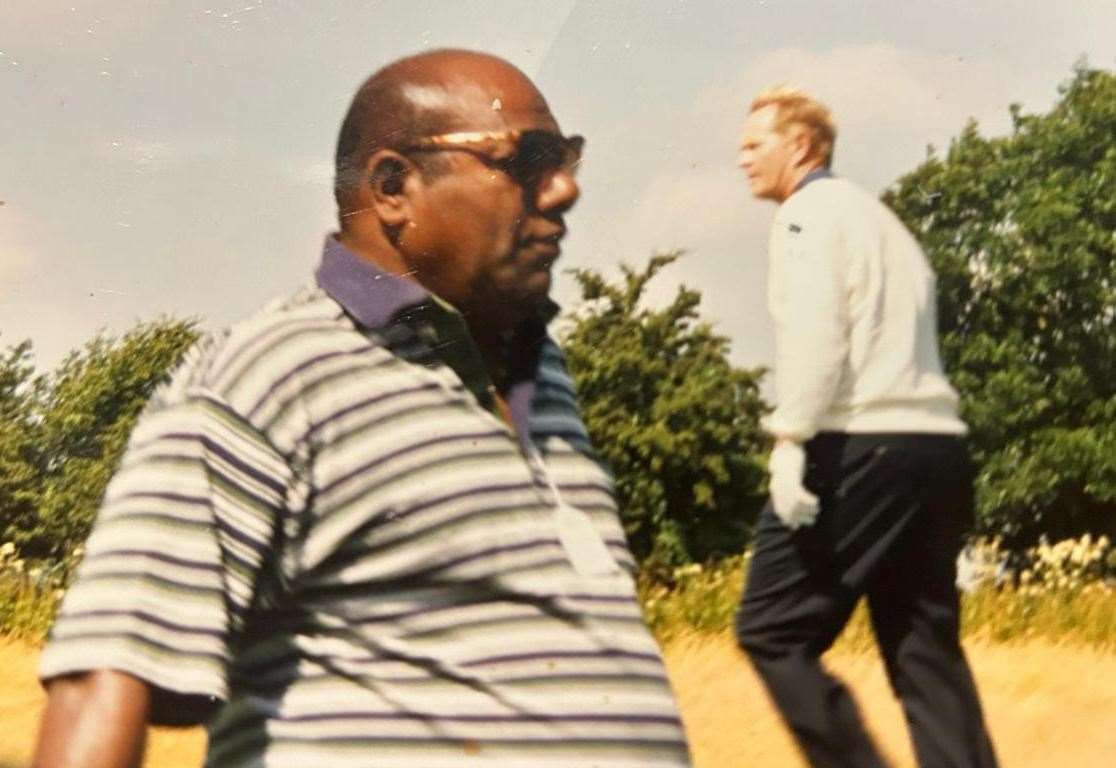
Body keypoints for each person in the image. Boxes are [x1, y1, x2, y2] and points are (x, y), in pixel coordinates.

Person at [33, 49, 692, 768]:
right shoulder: (270, 375)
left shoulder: (545, 375)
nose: (564, 189)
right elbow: (102, 681)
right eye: (528, 159)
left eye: (566, 157)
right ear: (392, 188)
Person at [733, 86, 999, 768]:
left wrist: (791, 440)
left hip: (860, 444)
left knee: (771, 630)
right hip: (935, 446)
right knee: (922, 644)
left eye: (754, 143)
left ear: (800, 146)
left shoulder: (805, 217)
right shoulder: (883, 222)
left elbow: (817, 338)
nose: (741, 158)